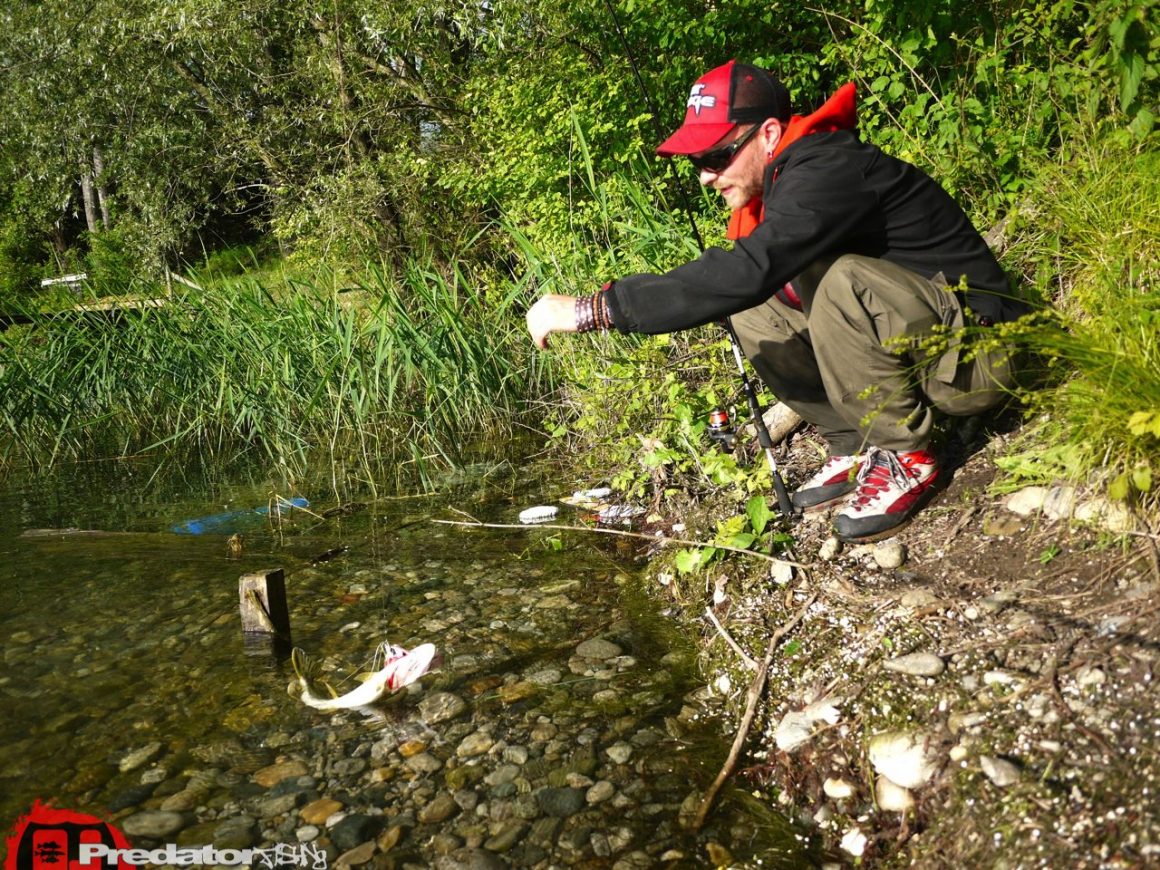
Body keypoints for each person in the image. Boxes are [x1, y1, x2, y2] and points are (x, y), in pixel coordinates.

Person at [525, 60, 1025, 542]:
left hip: (978, 360)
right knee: (749, 303)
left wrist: (593, 309)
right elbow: (746, 284)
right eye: (697, 162)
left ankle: (903, 453)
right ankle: (853, 438)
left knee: (836, 280)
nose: (704, 176)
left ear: (767, 135)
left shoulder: (827, 167)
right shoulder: (781, 184)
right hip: (929, 348)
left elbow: (749, 269)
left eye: (716, 157)